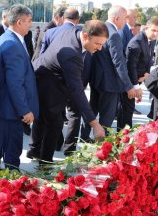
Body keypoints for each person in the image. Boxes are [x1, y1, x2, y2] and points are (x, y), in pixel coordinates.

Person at [30, 21, 107, 163]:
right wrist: (95, 124)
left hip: (52, 76)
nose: (100, 48)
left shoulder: (76, 30)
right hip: (46, 81)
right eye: (97, 44)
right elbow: (76, 90)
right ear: (85, 36)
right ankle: (45, 163)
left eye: (102, 44)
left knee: (48, 119)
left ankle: (35, 150)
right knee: (54, 122)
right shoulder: (71, 54)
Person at [0, 4, 39, 172]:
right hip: (11, 110)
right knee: (11, 152)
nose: (31, 24)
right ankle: (10, 185)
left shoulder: (9, 38)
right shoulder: (12, 44)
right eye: (29, 21)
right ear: (19, 22)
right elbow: (15, 83)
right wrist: (25, 110)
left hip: (6, 108)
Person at [28, 7, 81, 158]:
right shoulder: (76, 33)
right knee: (60, 119)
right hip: (64, 83)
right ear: (77, 21)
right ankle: (52, 154)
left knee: (43, 117)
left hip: (44, 79)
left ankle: (35, 148)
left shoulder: (50, 32)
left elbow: (41, 55)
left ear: (63, 18)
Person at [89, 6, 136, 132]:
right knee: (106, 119)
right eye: (125, 18)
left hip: (95, 80)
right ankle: (101, 147)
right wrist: (128, 86)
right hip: (109, 84)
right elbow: (119, 63)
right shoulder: (114, 34)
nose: (126, 22)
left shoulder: (98, 29)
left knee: (91, 113)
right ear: (116, 18)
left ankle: (85, 138)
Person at [120, 17, 158, 129]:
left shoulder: (151, 41)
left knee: (127, 110)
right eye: (153, 30)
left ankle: (123, 133)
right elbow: (130, 67)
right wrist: (136, 86)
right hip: (129, 81)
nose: (156, 34)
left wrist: (147, 74)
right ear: (146, 28)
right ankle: (124, 135)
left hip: (139, 78)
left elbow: (149, 59)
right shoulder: (136, 42)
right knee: (127, 110)